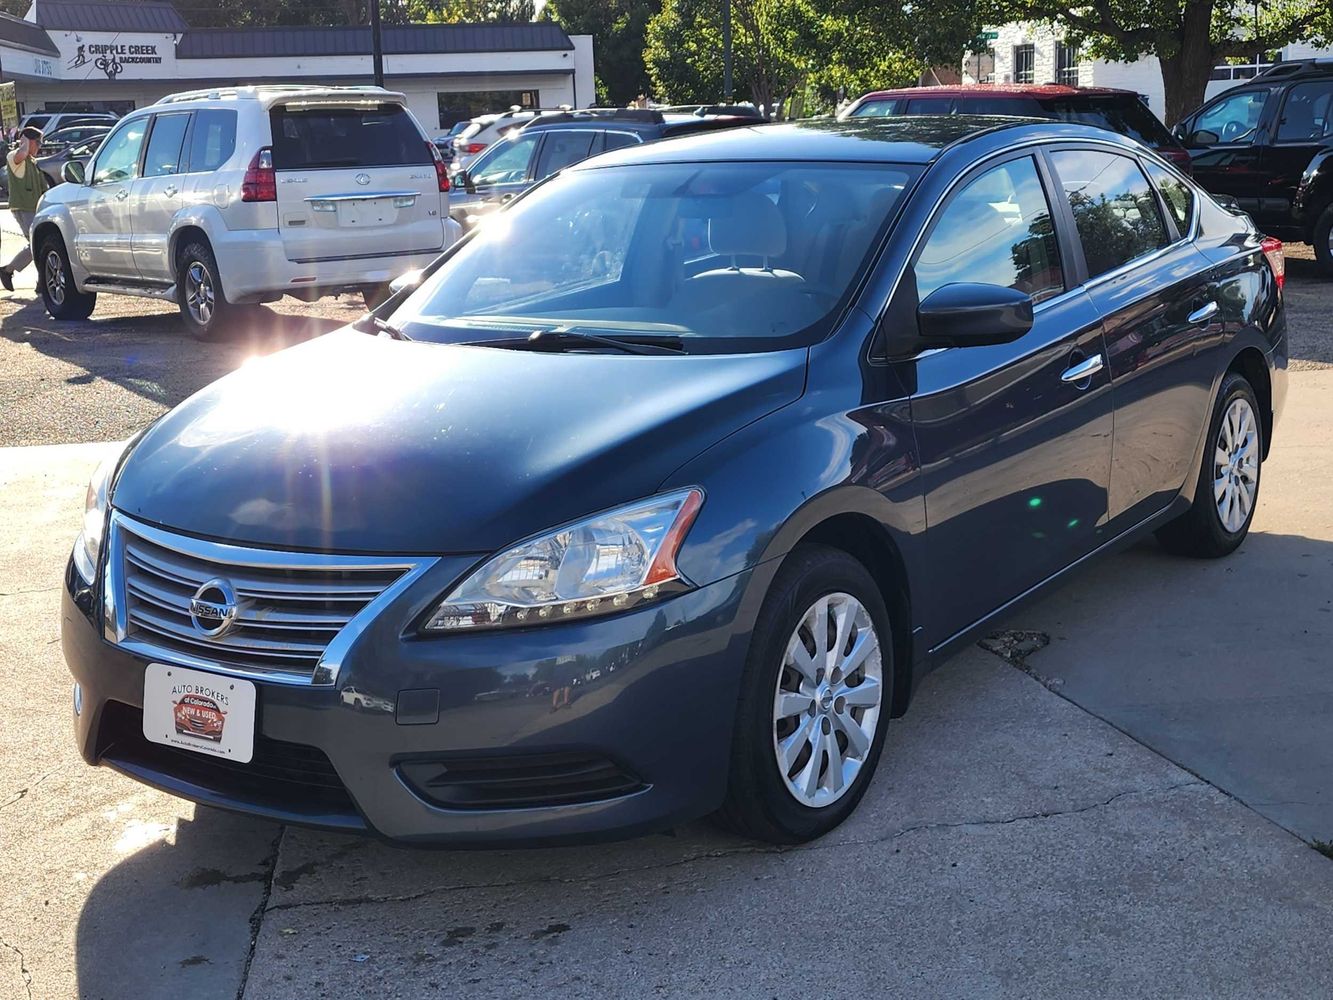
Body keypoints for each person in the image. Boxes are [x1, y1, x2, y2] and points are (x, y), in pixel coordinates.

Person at [1, 125, 50, 292]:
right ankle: (8, 271)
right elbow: (20, 154)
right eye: (38, 142)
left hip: (34, 207)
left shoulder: (32, 162)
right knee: (36, 243)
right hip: (23, 207)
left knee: (38, 244)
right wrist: (25, 141)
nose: (40, 146)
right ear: (28, 142)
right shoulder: (14, 156)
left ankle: (41, 281)